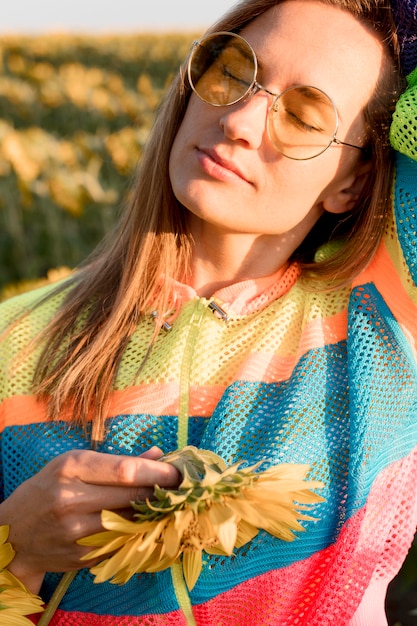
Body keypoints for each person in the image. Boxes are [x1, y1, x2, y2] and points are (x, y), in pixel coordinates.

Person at [0, 0, 416, 623]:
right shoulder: (13, 338)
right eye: (233, 71)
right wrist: (13, 544)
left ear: (351, 183)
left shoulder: (386, 322)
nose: (241, 120)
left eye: (304, 115)